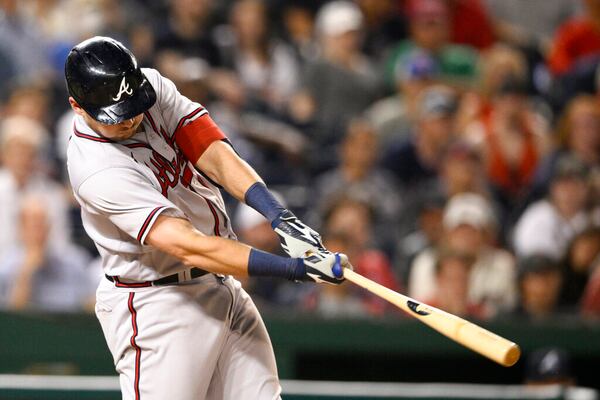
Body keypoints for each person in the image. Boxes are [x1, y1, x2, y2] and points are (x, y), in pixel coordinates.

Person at [64, 36, 350, 400]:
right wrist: (293, 269)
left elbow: (209, 148)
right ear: (78, 106)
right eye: (117, 113)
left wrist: (278, 215)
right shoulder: (95, 169)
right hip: (159, 306)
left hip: (221, 284)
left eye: (133, 103)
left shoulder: (148, 86)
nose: (131, 117)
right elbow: (189, 246)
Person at [0, 195, 93, 312]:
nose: (40, 232)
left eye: (43, 223)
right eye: (34, 225)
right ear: (21, 229)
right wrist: (25, 274)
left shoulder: (73, 262)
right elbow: (11, 320)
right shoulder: (6, 266)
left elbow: (90, 306)